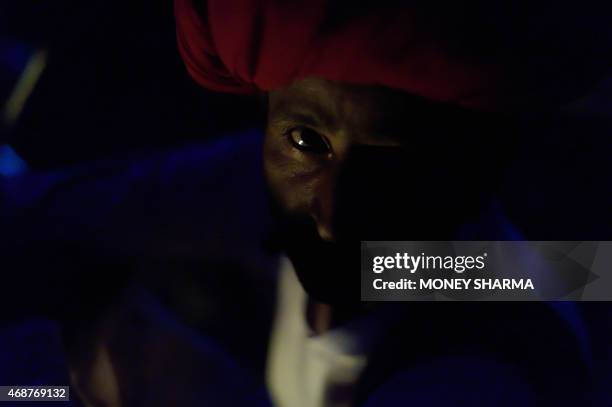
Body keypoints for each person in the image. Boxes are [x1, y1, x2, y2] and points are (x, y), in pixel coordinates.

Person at [1, 0, 611, 405]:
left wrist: (34, 388)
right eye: (304, 139)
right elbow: (68, 206)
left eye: (394, 165)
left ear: (480, 165)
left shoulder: (475, 365)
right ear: (264, 117)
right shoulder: (304, 189)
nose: (334, 213)